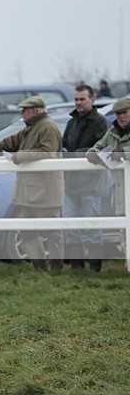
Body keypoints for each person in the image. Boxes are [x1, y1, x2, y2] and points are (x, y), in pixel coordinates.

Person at [0, 96, 64, 272]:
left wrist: (19, 156)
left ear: (35, 111)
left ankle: (56, 267)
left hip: (45, 190)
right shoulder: (31, 128)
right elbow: (8, 143)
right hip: (28, 190)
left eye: (24, 110)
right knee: (27, 230)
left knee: (51, 231)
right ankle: (40, 267)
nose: (22, 114)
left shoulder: (47, 127)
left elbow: (47, 153)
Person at [61, 85, 109, 271]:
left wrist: (73, 153)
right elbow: (65, 144)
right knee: (70, 223)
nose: (79, 103)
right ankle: (77, 264)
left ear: (92, 99)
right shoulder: (72, 122)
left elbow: (100, 147)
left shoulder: (100, 122)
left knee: (92, 223)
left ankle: (95, 266)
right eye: (76, 99)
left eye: (82, 99)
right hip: (71, 180)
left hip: (91, 180)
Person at [86, 97, 130, 218]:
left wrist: (124, 152)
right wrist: (92, 153)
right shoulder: (112, 131)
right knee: (123, 232)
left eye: (124, 112)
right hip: (120, 193)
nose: (121, 116)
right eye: (118, 113)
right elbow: (99, 145)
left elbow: (123, 153)